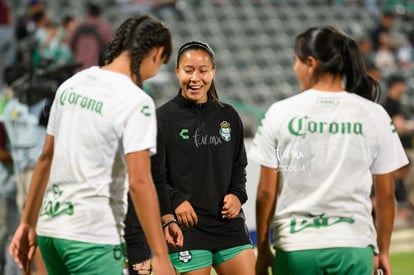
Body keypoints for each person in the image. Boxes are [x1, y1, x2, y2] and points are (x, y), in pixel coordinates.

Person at [8, 14, 176, 275]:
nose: (154, 73)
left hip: (50, 230)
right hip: (92, 237)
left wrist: (27, 223)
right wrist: (161, 255)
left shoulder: (71, 85)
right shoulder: (136, 101)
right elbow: (140, 181)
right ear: (157, 53)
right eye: (160, 64)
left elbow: (46, 158)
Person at [249, 26, 408, 275]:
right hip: (354, 247)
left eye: (296, 62)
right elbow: (386, 196)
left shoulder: (279, 113)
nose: (295, 69)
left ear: (310, 63)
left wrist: (263, 248)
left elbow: (266, 193)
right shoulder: (374, 114)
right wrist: (383, 250)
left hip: (297, 249)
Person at [150, 40, 255, 275]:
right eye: (188, 71)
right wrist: (175, 200)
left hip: (229, 227)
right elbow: (153, 175)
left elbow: (239, 167)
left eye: (202, 71)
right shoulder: (162, 119)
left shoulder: (228, 115)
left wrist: (238, 195)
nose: (195, 78)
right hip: (186, 229)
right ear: (177, 71)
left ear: (213, 72)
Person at [383, 75, 414, 225]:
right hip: (400, 149)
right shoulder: (390, 103)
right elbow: (399, 126)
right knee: (405, 184)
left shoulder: (398, 103)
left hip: (405, 148)